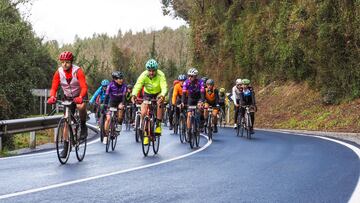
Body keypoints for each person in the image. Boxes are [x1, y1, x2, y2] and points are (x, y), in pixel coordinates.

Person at [47, 51, 88, 158]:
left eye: (67, 62)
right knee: (66, 121)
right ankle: (66, 148)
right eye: (63, 62)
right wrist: (52, 96)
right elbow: (54, 87)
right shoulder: (58, 72)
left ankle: (83, 126)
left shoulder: (78, 71)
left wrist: (80, 97)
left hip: (79, 95)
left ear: (71, 62)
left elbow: (84, 87)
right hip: (68, 97)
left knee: (81, 106)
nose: (65, 64)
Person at [131, 59, 168, 145]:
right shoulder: (143, 75)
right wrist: (134, 95)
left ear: (156, 70)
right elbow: (138, 85)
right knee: (143, 112)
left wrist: (162, 95)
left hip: (158, 93)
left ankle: (158, 124)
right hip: (147, 94)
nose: (151, 73)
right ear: (147, 70)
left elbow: (164, 87)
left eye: (153, 71)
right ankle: (146, 134)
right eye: (149, 70)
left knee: (159, 103)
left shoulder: (161, 75)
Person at [103, 71, 127, 144]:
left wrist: (123, 104)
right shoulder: (110, 85)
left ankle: (119, 124)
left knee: (120, 108)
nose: (121, 80)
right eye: (119, 79)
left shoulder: (124, 86)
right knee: (108, 118)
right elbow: (106, 96)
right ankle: (106, 136)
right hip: (112, 102)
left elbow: (124, 97)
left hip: (120, 101)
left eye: (121, 78)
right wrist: (104, 105)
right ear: (114, 79)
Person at [181, 68, 205, 135]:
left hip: (198, 97)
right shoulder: (186, 82)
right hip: (191, 98)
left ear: (195, 76)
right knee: (189, 114)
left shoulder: (200, 82)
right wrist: (183, 102)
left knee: (200, 108)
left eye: (191, 76)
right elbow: (184, 93)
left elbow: (202, 93)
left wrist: (202, 101)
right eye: (189, 76)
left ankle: (201, 123)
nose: (189, 77)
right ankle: (188, 131)